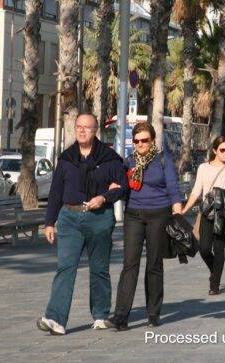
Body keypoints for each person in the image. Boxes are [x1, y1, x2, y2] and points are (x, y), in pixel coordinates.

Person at [37, 113, 126, 336]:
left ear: (95, 130)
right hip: (69, 218)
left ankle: (100, 315)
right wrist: (49, 222)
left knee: (99, 268)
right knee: (65, 267)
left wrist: (104, 197)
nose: (82, 131)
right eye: (79, 127)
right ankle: (55, 318)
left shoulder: (110, 158)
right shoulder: (66, 158)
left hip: (99, 219)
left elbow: (123, 187)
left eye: (87, 127)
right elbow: (56, 191)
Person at [107, 122, 183, 331]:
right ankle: (121, 315)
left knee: (154, 264)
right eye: (137, 141)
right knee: (130, 264)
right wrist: (113, 186)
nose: (140, 144)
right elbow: (121, 185)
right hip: (133, 215)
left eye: (144, 140)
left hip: (159, 214)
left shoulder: (162, 159)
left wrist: (177, 209)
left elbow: (172, 187)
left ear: (152, 140)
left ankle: (153, 313)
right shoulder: (128, 162)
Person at [181, 136, 225, 295]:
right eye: (222, 150)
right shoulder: (203, 167)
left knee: (219, 247)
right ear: (214, 150)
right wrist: (184, 209)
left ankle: (214, 284)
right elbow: (196, 191)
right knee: (204, 248)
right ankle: (215, 271)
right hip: (208, 212)